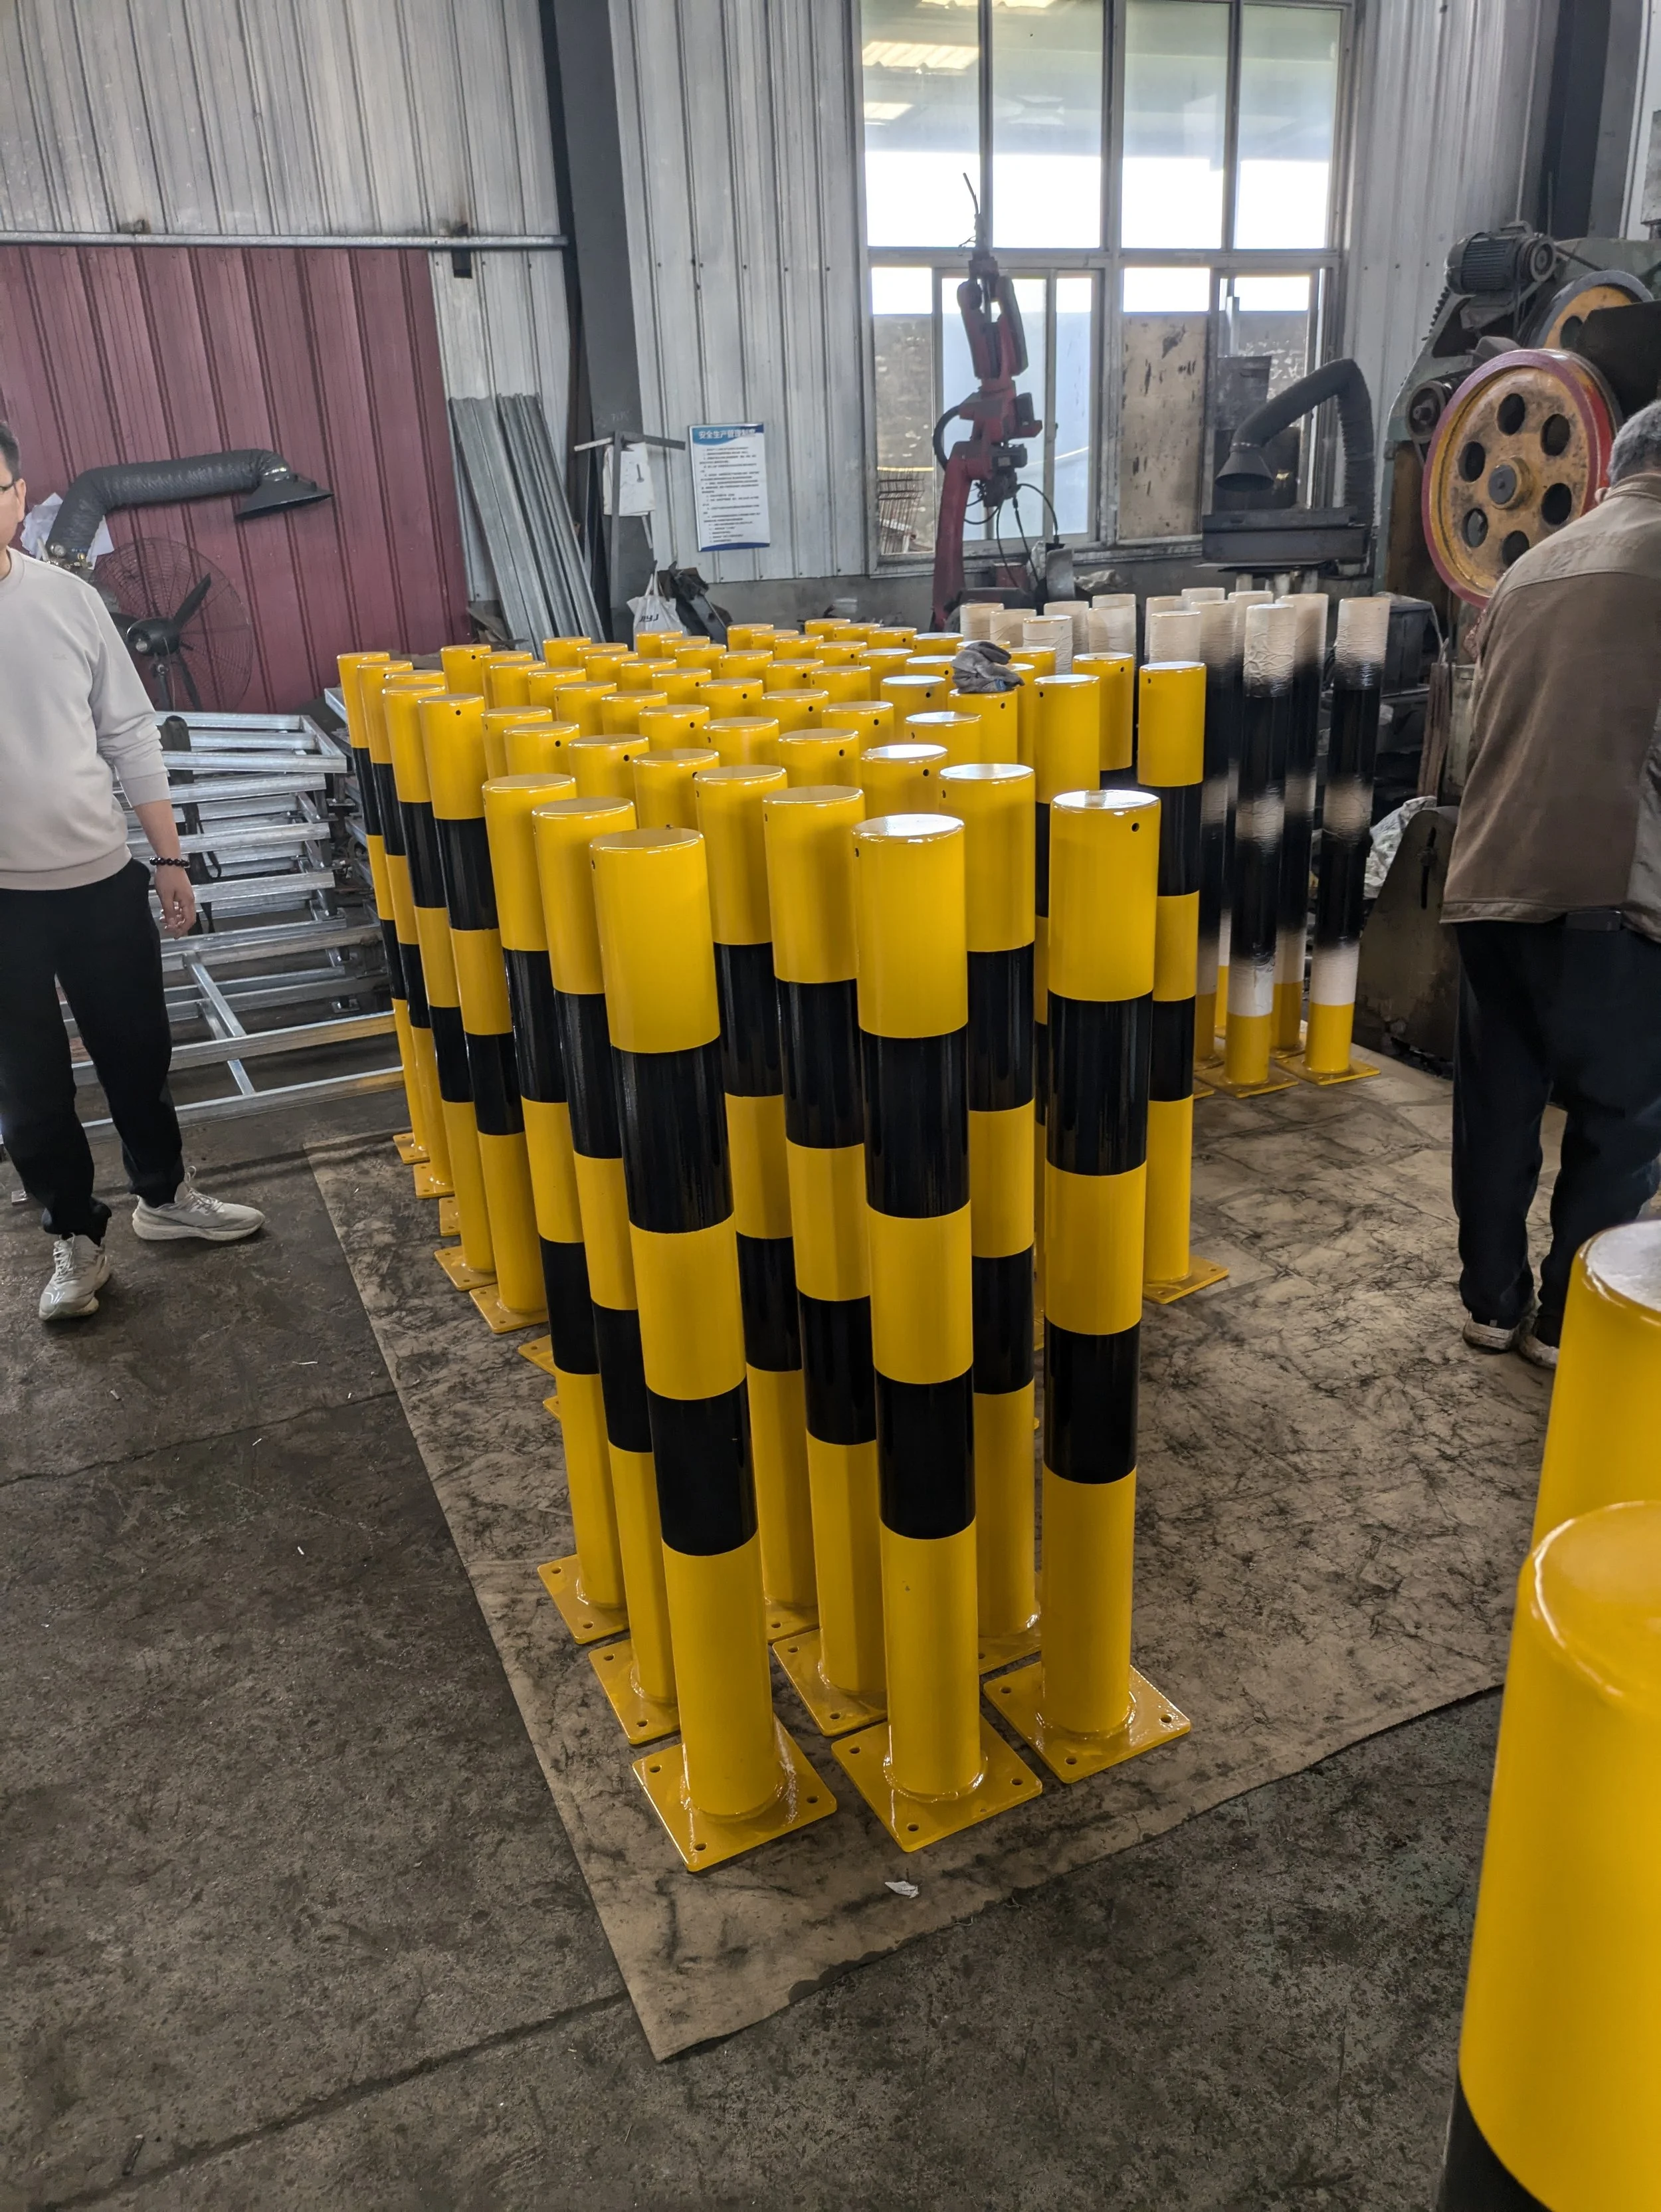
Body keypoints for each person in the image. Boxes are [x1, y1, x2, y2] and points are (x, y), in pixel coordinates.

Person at [0, 421, 264, 1322]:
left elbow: (129, 733)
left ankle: (165, 1197)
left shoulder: (69, 602)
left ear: (18, 494)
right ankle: (74, 1241)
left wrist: (169, 857)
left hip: (101, 875)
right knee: (28, 1091)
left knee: (138, 1056)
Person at [1442, 397, 1661, 1370]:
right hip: (1610, 889)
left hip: (1490, 875)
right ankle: (1575, 1321)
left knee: (1498, 1102)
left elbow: (1477, 730)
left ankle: (1492, 1304)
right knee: (1622, 1118)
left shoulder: (1531, 565)